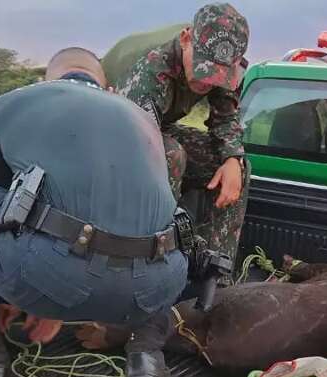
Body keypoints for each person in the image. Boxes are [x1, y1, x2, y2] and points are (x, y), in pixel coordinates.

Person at [0, 48, 188, 377]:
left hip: (53, 276)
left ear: (47, 81)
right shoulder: (142, 120)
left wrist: (20, 292)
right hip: (158, 288)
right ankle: (147, 365)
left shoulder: (15, 102)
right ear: (107, 87)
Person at [103, 3, 250, 268]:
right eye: (204, 69)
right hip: (116, 128)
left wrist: (232, 159)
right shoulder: (149, 70)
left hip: (159, 124)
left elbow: (226, 117)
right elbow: (132, 145)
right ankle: (154, 261)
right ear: (185, 40)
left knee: (234, 165)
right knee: (170, 154)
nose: (208, 82)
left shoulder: (222, 62)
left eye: (218, 75)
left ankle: (213, 267)